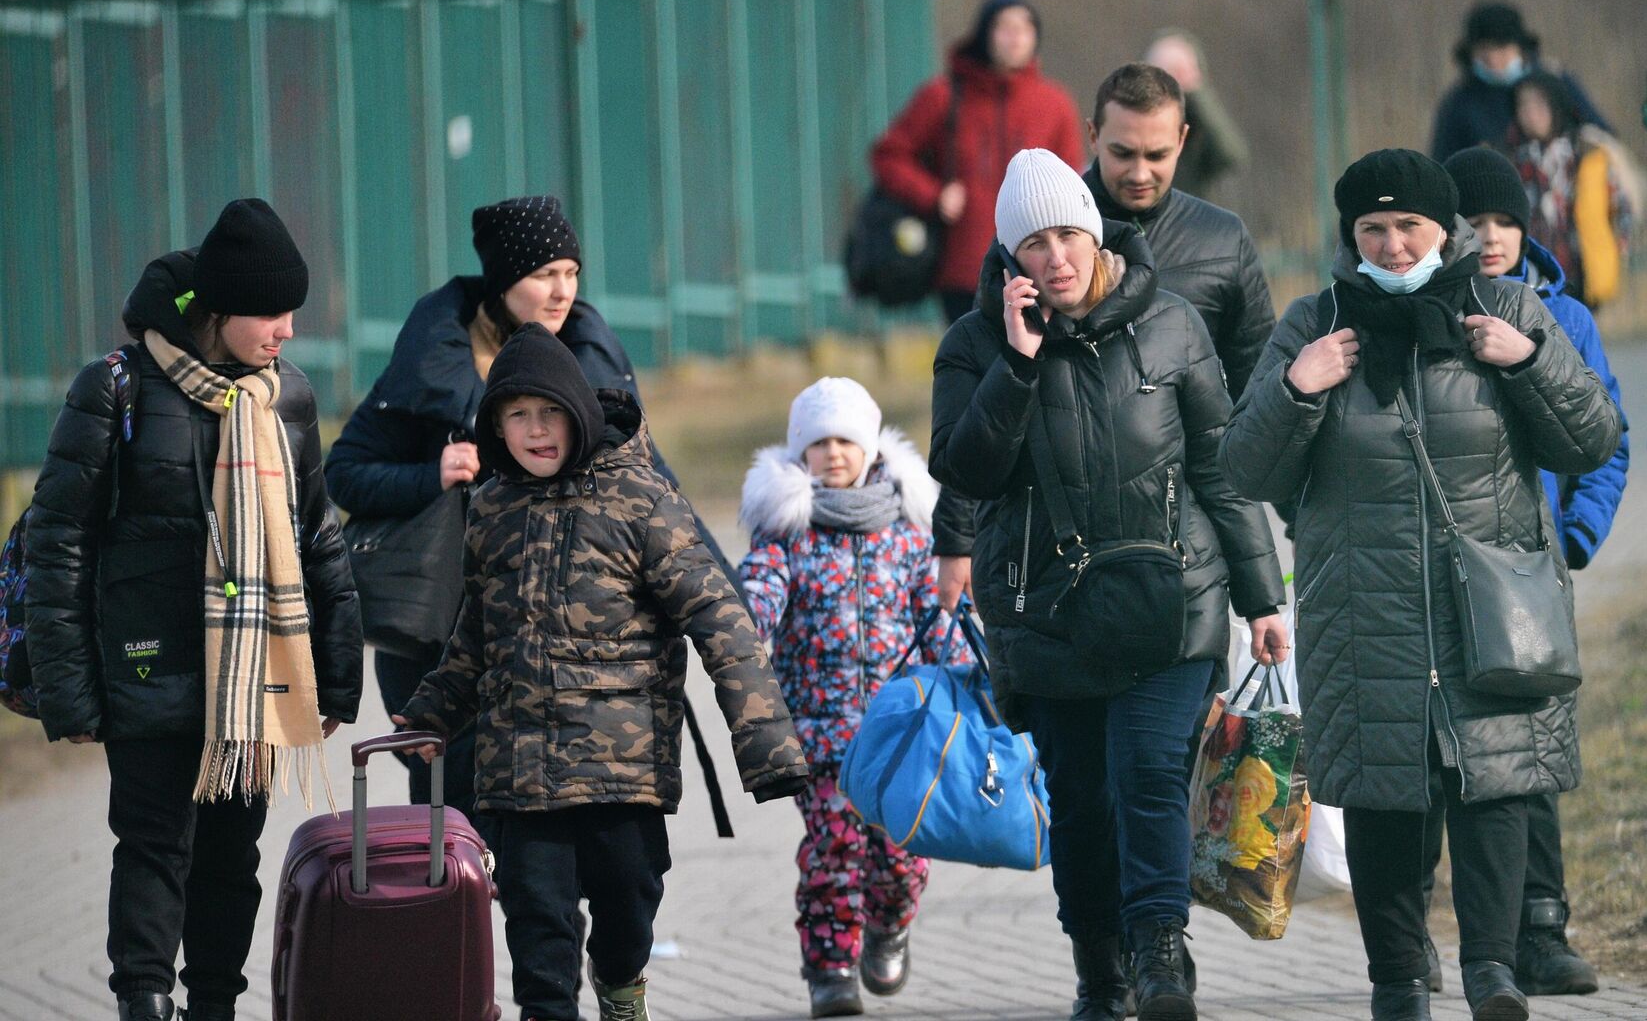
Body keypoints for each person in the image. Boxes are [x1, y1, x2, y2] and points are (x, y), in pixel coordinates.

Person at [1218, 149, 1621, 1021]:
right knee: (1382, 798)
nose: (1394, 246)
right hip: (1365, 611)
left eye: (1411, 227)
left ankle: (1494, 972)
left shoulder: (1505, 307)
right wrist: (1296, 386)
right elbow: (1243, 466)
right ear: (1350, 236)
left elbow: (1592, 440)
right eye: (1373, 229)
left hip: (1494, 610)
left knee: (1496, 787)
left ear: (1449, 233)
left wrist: (1528, 361)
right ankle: (1398, 981)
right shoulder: (1314, 323)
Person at [929, 149, 1289, 1021]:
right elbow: (964, 470)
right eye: (1034, 244)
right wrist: (1017, 364)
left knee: (1151, 771)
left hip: (1176, 599)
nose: (1055, 257)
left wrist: (1262, 595)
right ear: (1011, 257)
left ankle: (1163, 954)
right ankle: (1101, 970)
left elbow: (1220, 465)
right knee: (1083, 801)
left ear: (1095, 236)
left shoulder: (1169, 324)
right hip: (1046, 615)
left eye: (1068, 236)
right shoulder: (973, 345)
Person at [393, 324, 809, 1021]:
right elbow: (475, 632)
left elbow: (722, 622)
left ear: (577, 413)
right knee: (537, 928)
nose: (535, 431)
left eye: (548, 413)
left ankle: (620, 985)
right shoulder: (492, 510)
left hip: (623, 769)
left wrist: (764, 744)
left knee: (628, 899)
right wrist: (432, 707)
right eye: (516, 417)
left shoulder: (642, 502)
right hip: (519, 773)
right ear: (496, 427)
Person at [25, 200, 363, 1021]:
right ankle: (143, 998)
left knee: (229, 858)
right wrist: (68, 689)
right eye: (269, 312)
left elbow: (317, 534)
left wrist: (340, 671)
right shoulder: (116, 387)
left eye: (292, 312)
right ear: (217, 308)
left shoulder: (288, 400)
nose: (285, 329)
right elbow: (58, 539)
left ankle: (213, 1004)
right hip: (149, 666)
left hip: (250, 680)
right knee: (152, 847)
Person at [325, 195, 741, 821]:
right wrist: (429, 476)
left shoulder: (592, 361)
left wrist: (729, 595)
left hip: (565, 637)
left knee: (549, 834)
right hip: (438, 633)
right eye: (544, 273)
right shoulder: (429, 360)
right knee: (451, 818)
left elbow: (655, 489)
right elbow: (346, 474)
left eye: (571, 272)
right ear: (502, 277)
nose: (562, 290)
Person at [929, 62, 1277, 616]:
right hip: (1056, 527)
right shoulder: (1029, 231)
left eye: (1157, 155)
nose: (1140, 172)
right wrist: (956, 537)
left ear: (1184, 140)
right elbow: (983, 392)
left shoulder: (1221, 239)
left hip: (1176, 526)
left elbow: (1255, 386)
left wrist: (1263, 571)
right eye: (1122, 153)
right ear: (1093, 135)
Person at [1443, 146, 1629, 997]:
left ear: (1527, 227)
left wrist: (1579, 534)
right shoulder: (1431, 314)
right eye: (1471, 222)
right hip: (1445, 571)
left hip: (1533, 572)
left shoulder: (1568, 318)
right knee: (1442, 757)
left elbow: (1607, 436)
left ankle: (1543, 929)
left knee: (1535, 754)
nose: (1487, 237)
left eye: (1503, 222)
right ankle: (1429, 934)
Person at [736, 377, 946, 1018]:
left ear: (870, 447)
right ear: (801, 453)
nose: (833, 453)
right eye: (818, 442)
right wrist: (741, 618)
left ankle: (889, 923)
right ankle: (829, 970)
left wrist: (965, 678)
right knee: (835, 849)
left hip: (898, 733)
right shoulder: (788, 534)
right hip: (820, 732)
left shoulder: (908, 533)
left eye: (845, 440)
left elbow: (935, 616)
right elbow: (761, 591)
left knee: (900, 856)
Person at [870, 0, 1084, 324]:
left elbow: (1073, 184)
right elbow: (889, 155)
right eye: (1004, 27)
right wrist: (933, 195)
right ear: (984, 34)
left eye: (1024, 28)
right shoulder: (944, 96)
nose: (1015, 37)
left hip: (1036, 269)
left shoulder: (1055, 105)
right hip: (962, 269)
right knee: (971, 367)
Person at [1505, 73, 1645, 306]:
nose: (1531, 113)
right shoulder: (1511, 160)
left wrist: (1617, 252)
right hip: (1530, 277)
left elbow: (1622, 207)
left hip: (1580, 272)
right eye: (1523, 105)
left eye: (1539, 104)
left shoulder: (1589, 154)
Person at [1429, 0, 1609, 164]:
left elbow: (1601, 137)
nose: (1493, 59)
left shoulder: (1555, 83)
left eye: (1502, 49)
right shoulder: (1460, 101)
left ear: (1520, 48)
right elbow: (1442, 162)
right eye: (1484, 51)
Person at [1142, 29, 1249, 202]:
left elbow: (1231, 156)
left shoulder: (1199, 124)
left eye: (1178, 72)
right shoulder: (1134, 122)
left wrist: (1196, 94)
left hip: (1196, 213)